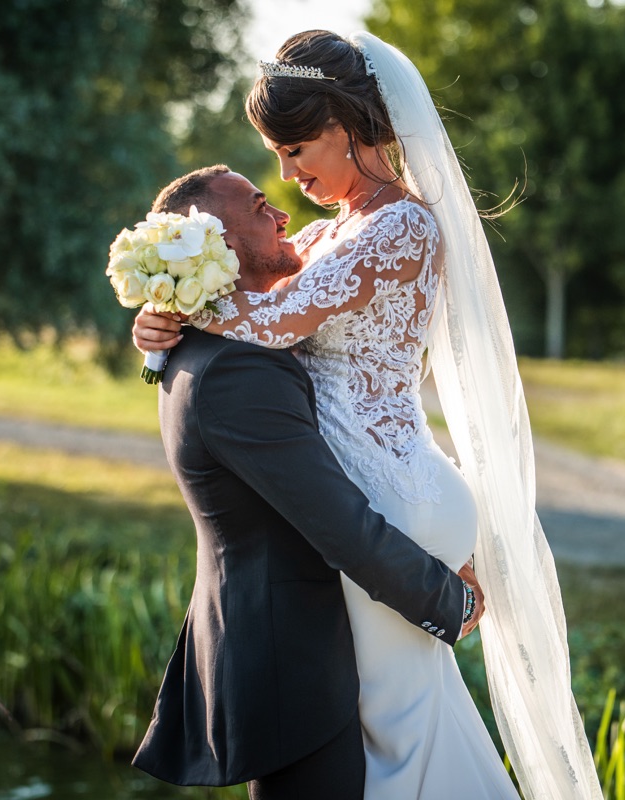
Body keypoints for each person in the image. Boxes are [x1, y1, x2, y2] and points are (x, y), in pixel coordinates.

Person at [135, 31, 604, 800]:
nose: (285, 174)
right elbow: (258, 309)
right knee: (409, 720)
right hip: (384, 492)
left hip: (392, 493)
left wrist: (175, 307)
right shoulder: (326, 235)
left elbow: (275, 322)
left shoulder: (401, 226)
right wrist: (159, 327)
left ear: (346, 126)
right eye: (275, 155)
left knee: (398, 728)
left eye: (293, 149)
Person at [128, 165, 484, 800]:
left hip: (312, 648)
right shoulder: (237, 369)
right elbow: (336, 521)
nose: (284, 210)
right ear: (220, 244)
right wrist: (448, 603)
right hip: (290, 669)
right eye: (262, 205)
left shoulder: (214, 344)